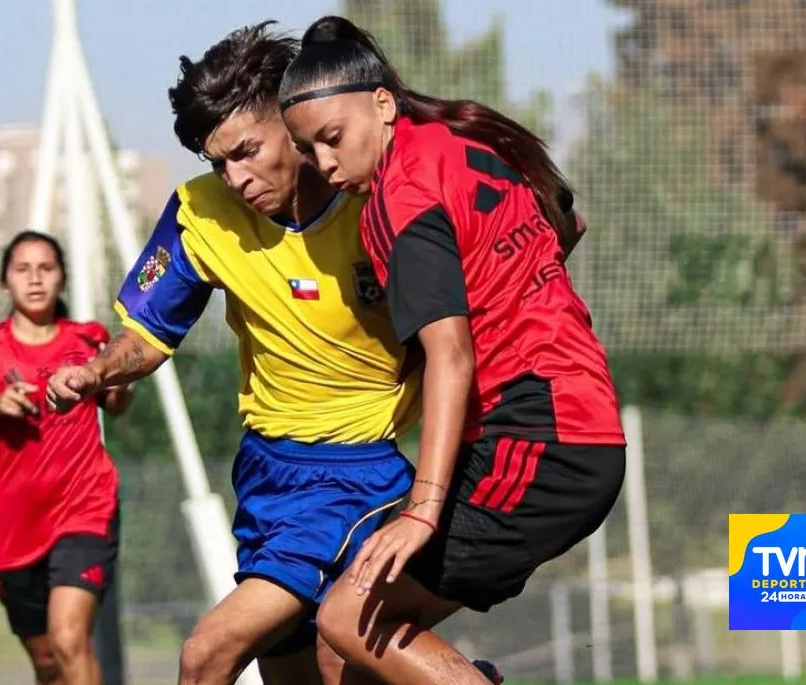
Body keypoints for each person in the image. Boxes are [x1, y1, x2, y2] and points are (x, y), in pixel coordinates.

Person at [45, 22, 423, 685]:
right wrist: (97, 369)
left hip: (356, 474)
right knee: (310, 674)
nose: (237, 177)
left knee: (207, 653)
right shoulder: (201, 214)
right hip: (265, 476)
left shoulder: (376, 197)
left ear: (293, 119)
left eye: (247, 151)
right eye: (219, 161)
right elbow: (150, 336)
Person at [277, 16, 626, 685]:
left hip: (538, 436)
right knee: (347, 646)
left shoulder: (396, 198)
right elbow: (566, 222)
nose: (324, 163)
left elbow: (453, 356)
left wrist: (423, 508)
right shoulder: (460, 137)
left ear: (381, 102)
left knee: (344, 616)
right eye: (308, 149)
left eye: (332, 138)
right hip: (571, 426)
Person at [0, 230, 134, 685]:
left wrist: (122, 380)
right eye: (23, 269)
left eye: (46, 268)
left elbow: (117, 405)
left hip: (84, 507)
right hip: (16, 526)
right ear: (5, 282)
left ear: (62, 277)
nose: (35, 279)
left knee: (69, 638)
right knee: (48, 661)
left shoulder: (89, 339)